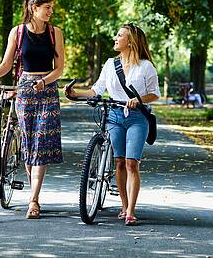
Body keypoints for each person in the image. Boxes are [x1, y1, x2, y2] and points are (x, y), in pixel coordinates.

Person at [0, 0, 65, 219]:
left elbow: (60, 67)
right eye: (47, 8)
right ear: (34, 9)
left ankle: (34, 201)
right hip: (24, 90)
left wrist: (44, 82)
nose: (51, 11)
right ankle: (33, 193)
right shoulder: (18, 32)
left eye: (51, 8)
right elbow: (6, 65)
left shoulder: (55, 33)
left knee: (41, 144)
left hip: (48, 89)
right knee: (28, 144)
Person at [65, 23, 160, 226]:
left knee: (131, 163)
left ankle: (131, 211)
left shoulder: (145, 66)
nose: (115, 39)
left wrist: (139, 99)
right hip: (114, 116)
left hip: (136, 118)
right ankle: (124, 205)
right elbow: (97, 89)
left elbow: (155, 93)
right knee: (119, 161)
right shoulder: (110, 64)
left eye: (119, 35)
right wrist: (76, 94)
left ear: (131, 41)